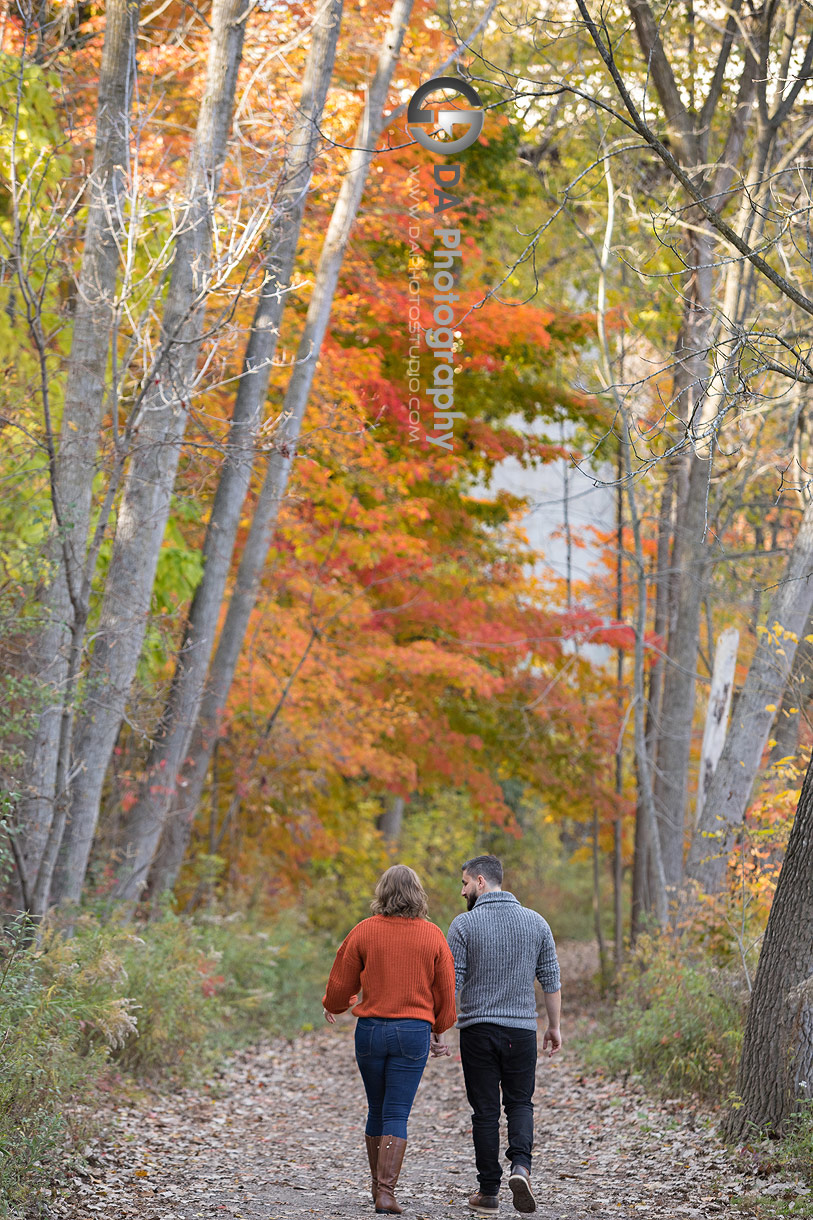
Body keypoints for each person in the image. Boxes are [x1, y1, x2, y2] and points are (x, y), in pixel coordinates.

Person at [322, 864, 456, 1215]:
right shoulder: (432, 935)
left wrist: (336, 1005)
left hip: (370, 1033)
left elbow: (340, 981)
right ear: (417, 895)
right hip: (412, 1032)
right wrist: (439, 1027)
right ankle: (386, 1192)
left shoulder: (364, 931)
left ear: (383, 892)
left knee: (376, 1109)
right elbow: (445, 991)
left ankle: (377, 1188)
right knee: (397, 1111)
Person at [443, 854, 561, 1216]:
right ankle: (521, 1168)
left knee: (485, 1112)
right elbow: (551, 980)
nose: (462, 891)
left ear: (481, 881)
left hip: (478, 1031)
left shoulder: (463, 925)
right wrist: (554, 1026)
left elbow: (452, 984)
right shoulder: (536, 922)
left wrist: (439, 1028)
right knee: (520, 1103)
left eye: (464, 883)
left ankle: (489, 1192)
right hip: (522, 1030)